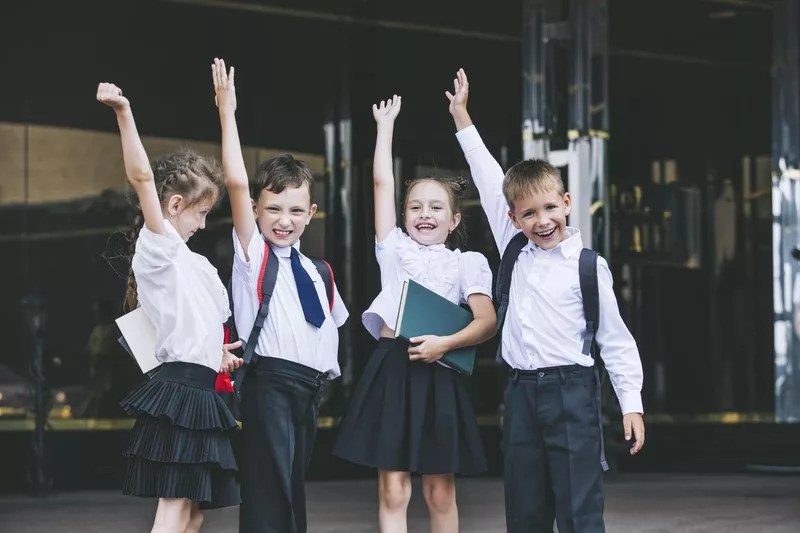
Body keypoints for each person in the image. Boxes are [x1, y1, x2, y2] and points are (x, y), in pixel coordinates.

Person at [447, 68, 645, 533]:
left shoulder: (588, 265)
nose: (542, 221)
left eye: (550, 208)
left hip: (572, 393)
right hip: (519, 394)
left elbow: (615, 340)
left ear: (568, 202)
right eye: (529, 213)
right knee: (525, 509)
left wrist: (630, 403)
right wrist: (461, 116)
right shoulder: (514, 245)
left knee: (579, 509)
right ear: (513, 218)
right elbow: (487, 171)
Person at [331, 94, 497, 533]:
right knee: (393, 490)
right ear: (403, 216)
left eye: (436, 207)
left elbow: (486, 322)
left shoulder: (467, 263)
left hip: (440, 372)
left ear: (454, 219)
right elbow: (381, 184)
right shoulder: (394, 250)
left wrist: (446, 344)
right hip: (393, 368)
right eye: (416, 207)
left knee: (440, 491)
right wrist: (385, 128)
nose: (425, 214)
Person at [97, 82, 243, 533]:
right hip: (181, 389)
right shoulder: (160, 247)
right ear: (176, 205)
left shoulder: (194, 264)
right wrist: (124, 111)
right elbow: (142, 177)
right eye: (201, 214)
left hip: (202, 387)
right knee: (176, 504)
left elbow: (195, 325)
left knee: (194, 509)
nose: (203, 224)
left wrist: (215, 354)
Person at [211, 58, 349, 533]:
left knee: (291, 493)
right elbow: (233, 181)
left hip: (309, 391)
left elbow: (331, 333)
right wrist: (227, 111)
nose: (283, 220)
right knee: (270, 496)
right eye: (272, 208)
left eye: (294, 210)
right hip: (268, 384)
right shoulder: (254, 256)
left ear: (311, 212)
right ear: (255, 209)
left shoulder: (319, 271)